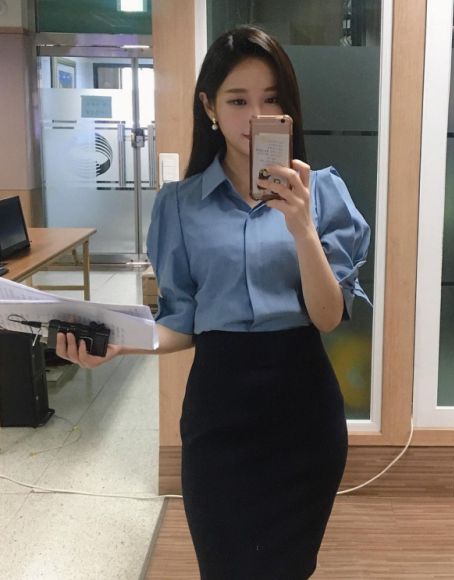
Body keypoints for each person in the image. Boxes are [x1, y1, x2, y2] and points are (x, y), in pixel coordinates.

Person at [56, 25, 371, 580]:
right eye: (238, 100)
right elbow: (183, 322)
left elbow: (327, 317)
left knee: (290, 568)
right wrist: (120, 344)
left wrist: (301, 226)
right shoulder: (180, 206)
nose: (256, 115)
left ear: (289, 109)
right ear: (209, 107)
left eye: (271, 99)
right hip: (218, 415)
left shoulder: (321, 193)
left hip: (304, 414)